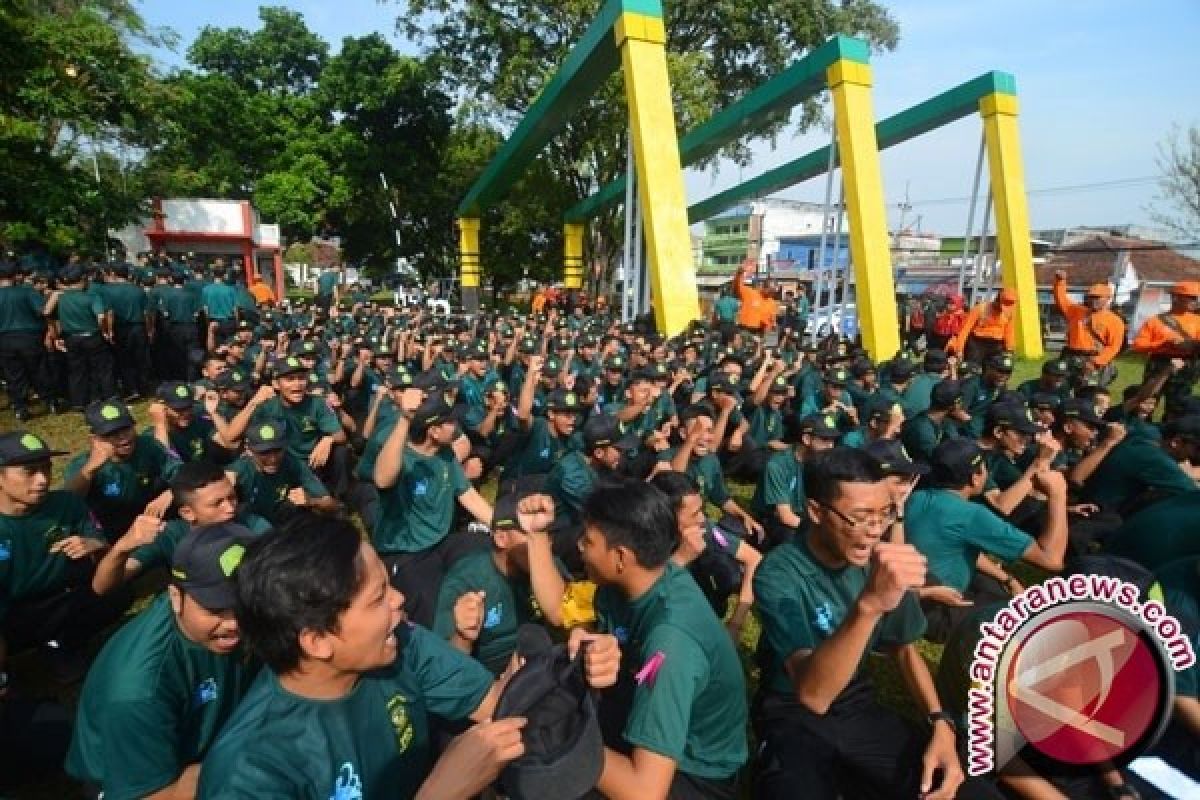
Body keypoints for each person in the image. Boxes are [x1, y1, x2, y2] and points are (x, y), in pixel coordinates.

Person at [196, 513, 620, 799]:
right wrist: (442, 792)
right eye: (379, 596)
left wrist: (573, 671)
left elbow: (501, 707)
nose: (400, 601)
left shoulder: (399, 646)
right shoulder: (250, 774)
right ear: (317, 641)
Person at [751, 448, 973, 800]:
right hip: (791, 707)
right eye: (860, 516)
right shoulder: (779, 574)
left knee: (955, 783)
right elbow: (813, 694)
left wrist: (940, 722)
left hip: (855, 703)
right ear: (816, 511)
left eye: (884, 515)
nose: (874, 532)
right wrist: (869, 604)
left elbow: (904, 649)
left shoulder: (876, 561)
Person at [577, 480, 749, 799]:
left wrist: (571, 745)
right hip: (656, 712)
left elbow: (645, 791)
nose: (579, 548)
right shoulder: (653, 576)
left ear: (620, 557)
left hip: (695, 771)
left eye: (588, 541)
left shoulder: (671, 645)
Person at [66, 524, 261, 799]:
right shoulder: (139, 689)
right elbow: (155, 794)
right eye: (215, 609)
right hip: (139, 779)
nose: (234, 624)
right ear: (175, 597)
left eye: (246, 606)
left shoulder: (234, 619)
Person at [904, 438, 1069, 642]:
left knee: (999, 589)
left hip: (912, 599)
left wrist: (1006, 578)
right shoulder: (971, 515)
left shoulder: (917, 498)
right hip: (939, 615)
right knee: (1028, 613)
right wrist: (1058, 495)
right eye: (984, 468)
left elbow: (955, 548)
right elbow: (1051, 560)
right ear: (975, 478)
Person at [0, 431, 129, 684]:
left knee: (117, 594)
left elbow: (101, 545)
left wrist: (95, 545)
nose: (42, 480)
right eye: (29, 471)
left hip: (61, 597)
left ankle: (59, 644)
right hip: (12, 611)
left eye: (46, 469)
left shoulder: (67, 504)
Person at [372, 394, 494, 627]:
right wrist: (405, 419)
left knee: (489, 551)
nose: (456, 427)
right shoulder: (402, 458)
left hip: (441, 541)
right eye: (450, 423)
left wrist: (502, 525)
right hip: (406, 552)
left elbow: (467, 495)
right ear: (433, 431)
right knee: (429, 605)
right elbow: (382, 479)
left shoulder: (444, 454)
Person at [63, 399, 176, 539]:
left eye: (126, 429)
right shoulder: (82, 465)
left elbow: (183, 473)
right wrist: (90, 469)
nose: (123, 437)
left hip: (155, 523)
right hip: (112, 535)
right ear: (95, 439)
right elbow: (67, 503)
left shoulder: (148, 446)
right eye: (112, 433)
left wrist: (170, 493)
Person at [0, 260, 61, 420]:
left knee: (13, 374)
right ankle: (50, 401)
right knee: (39, 370)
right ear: (16, 275)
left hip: (5, 339)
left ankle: (20, 407)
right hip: (30, 336)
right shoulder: (27, 292)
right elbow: (42, 312)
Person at [1131, 280, 1200, 417]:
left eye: (1196, 298)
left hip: (1186, 365)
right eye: (1191, 297)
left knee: (1178, 404)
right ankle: (1142, 431)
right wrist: (1163, 343)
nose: (1195, 301)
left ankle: (1170, 434)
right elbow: (1138, 345)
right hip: (1159, 363)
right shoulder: (1155, 321)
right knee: (1147, 401)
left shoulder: (1198, 321)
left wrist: (1190, 344)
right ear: (1175, 297)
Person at [54, 264, 115, 410]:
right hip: (92, 336)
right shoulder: (91, 297)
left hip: (71, 338)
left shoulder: (61, 298)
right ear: (83, 279)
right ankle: (109, 396)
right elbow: (101, 316)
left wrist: (57, 336)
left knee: (76, 370)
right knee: (102, 368)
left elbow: (51, 316)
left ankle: (79, 401)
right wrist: (105, 330)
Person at [1052, 271, 1125, 385]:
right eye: (1091, 297)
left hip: (1092, 359)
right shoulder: (1076, 311)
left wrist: (1096, 362)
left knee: (1087, 392)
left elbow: (1114, 347)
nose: (1093, 300)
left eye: (1097, 297)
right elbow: (1061, 300)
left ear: (1108, 298)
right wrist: (1060, 282)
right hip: (1070, 356)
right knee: (1063, 388)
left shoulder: (1115, 321)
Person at [949, 288, 1016, 365]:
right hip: (977, 344)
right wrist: (959, 349)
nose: (1002, 310)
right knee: (972, 369)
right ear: (997, 300)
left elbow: (1009, 332)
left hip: (996, 345)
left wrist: (1009, 350)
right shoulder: (979, 309)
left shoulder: (1009, 314)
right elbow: (965, 330)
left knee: (994, 371)